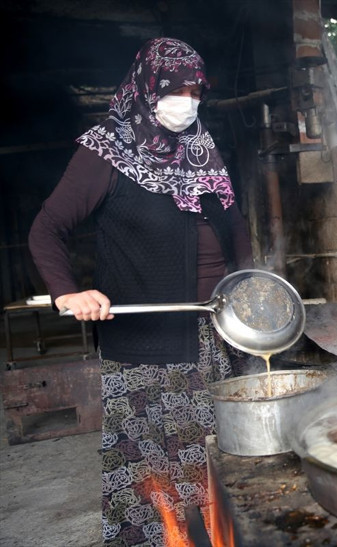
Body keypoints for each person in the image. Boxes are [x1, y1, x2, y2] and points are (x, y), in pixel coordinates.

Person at [28, 37, 252, 546]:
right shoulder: (107, 148)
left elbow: (234, 228)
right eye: (176, 88)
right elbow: (47, 228)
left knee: (221, 469)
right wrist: (68, 293)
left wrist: (255, 287)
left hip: (217, 337)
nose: (188, 100)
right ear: (148, 86)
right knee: (154, 483)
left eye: (196, 89)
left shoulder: (202, 146)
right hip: (147, 355)